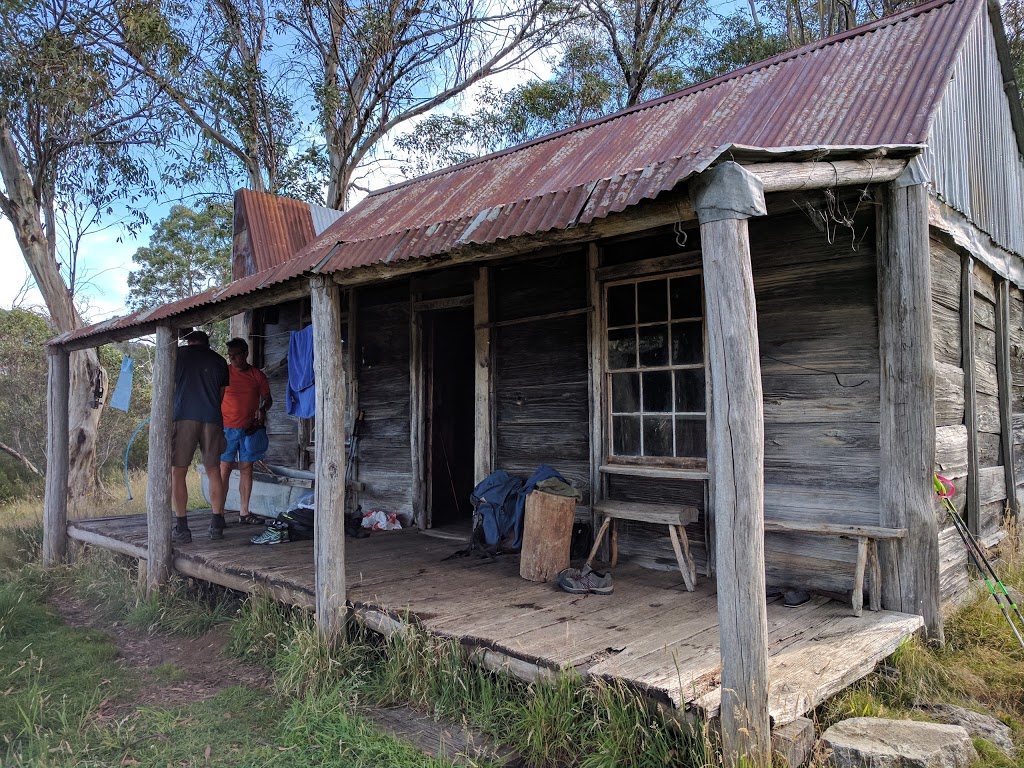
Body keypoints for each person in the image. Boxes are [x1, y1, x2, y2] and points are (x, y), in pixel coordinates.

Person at [171, 329, 230, 543]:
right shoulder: (219, 361)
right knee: (213, 470)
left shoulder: (177, 355)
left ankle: (182, 527)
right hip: (212, 417)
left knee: (178, 471)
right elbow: (221, 395)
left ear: (189, 342)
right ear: (207, 343)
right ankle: (216, 524)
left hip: (184, 416)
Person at [220, 338, 273, 525]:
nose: (233, 359)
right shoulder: (223, 373)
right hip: (226, 429)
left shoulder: (256, 375)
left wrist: (263, 408)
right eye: (230, 355)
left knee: (246, 469)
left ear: (245, 354)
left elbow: (268, 398)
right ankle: (218, 514)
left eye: (236, 355)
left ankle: (244, 512)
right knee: (224, 469)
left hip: (249, 429)